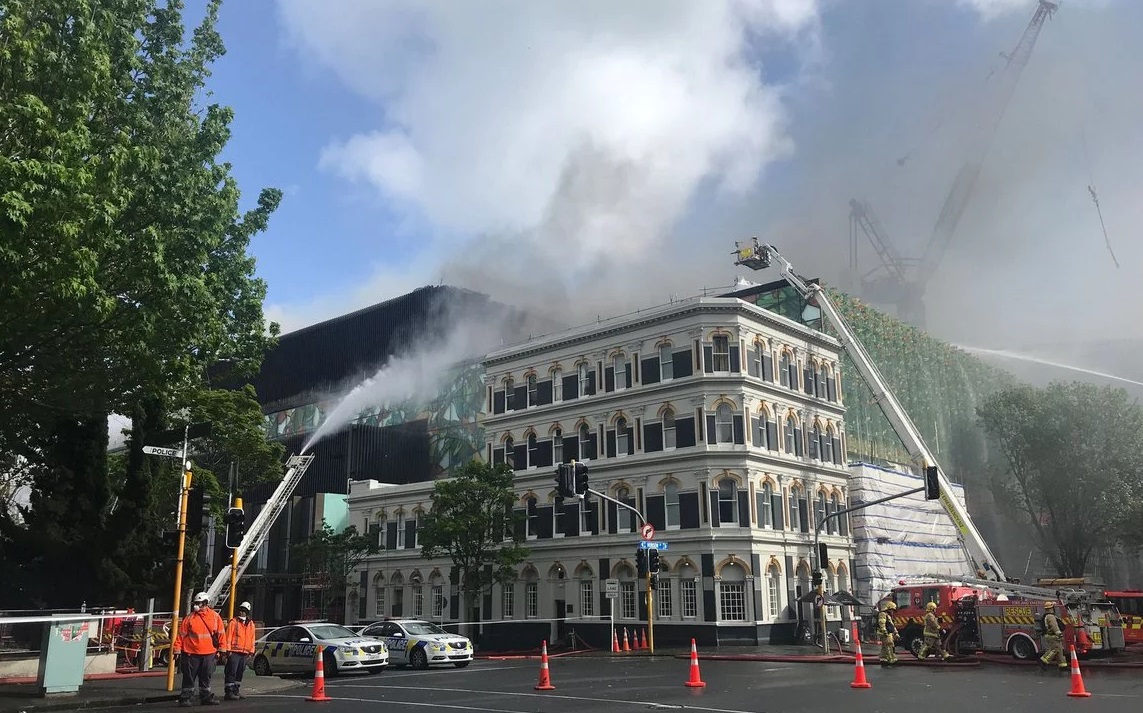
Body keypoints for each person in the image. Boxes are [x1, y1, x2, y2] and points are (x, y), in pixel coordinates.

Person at [175, 592, 227, 707]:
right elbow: (181, 635)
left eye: (199, 603)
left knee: (206, 677)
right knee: (189, 677)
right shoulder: (190, 618)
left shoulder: (214, 617)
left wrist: (222, 650)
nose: (196, 606)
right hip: (191, 653)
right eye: (196, 603)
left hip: (209, 653)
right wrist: (177, 649)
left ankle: (206, 697)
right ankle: (185, 698)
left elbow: (221, 634)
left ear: (205, 603)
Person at [223, 601, 257, 700]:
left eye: (244, 611)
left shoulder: (250, 624)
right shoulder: (234, 622)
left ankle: (236, 690)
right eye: (241, 610)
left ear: (247, 612)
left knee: (240, 672)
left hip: (245, 652)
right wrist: (228, 650)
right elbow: (228, 636)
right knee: (231, 671)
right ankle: (229, 692)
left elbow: (252, 638)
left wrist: (251, 651)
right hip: (234, 651)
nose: (242, 612)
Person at [1039, 601, 1068, 670]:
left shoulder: (1048, 616)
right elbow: (1054, 627)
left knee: (1059, 651)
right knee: (1054, 650)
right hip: (1053, 636)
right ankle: (1043, 661)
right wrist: (1059, 634)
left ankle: (1063, 666)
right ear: (1051, 608)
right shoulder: (1050, 616)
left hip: (1052, 636)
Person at [877, 600, 899, 666]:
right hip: (885, 633)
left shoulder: (888, 615)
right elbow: (882, 623)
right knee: (889, 645)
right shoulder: (883, 614)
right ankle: (892, 660)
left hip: (888, 633)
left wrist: (896, 633)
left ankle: (883, 659)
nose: (893, 612)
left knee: (885, 646)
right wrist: (884, 631)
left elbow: (891, 625)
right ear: (889, 608)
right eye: (892, 610)